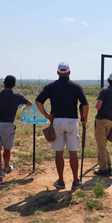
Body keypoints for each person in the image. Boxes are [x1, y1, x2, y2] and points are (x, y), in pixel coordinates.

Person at [35, 62, 89, 190]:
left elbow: (38, 101)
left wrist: (46, 115)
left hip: (57, 121)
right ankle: (76, 181)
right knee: (73, 152)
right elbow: (85, 105)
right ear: (69, 72)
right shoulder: (76, 86)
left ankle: (60, 181)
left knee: (59, 152)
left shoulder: (50, 86)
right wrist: (84, 118)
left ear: (58, 72)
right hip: (71, 121)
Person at [0, 75, 32, 179]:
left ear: (4, 83)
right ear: (14, 85)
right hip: (7, 125)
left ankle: (0, 171)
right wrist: (19, 105)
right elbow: (29, 103)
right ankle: (6, 167)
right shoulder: (17, 96)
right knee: (7, 148)